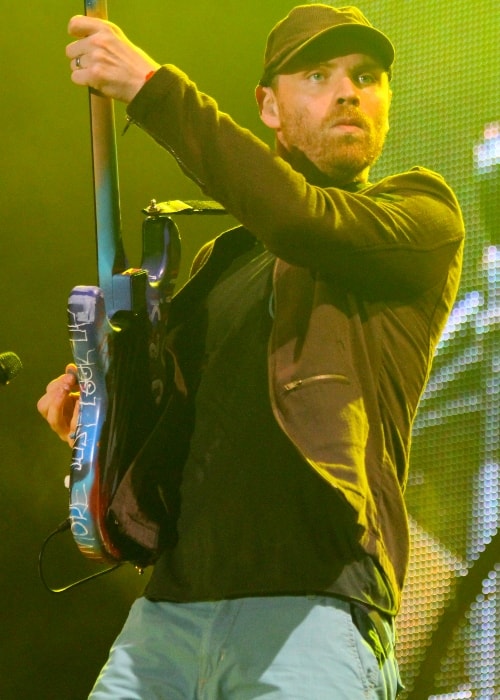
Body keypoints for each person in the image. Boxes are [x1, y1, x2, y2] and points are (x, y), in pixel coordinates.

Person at [37, 4, 465, 698]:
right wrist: (98, 434)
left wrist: (152, 89)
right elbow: (184, 433)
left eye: (367, 76)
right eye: (319, 75)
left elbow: (301, 218)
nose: (349, 91)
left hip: (314, 605)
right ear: (268, 106)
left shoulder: (418, 216)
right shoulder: (221, 262)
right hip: (166, 618)